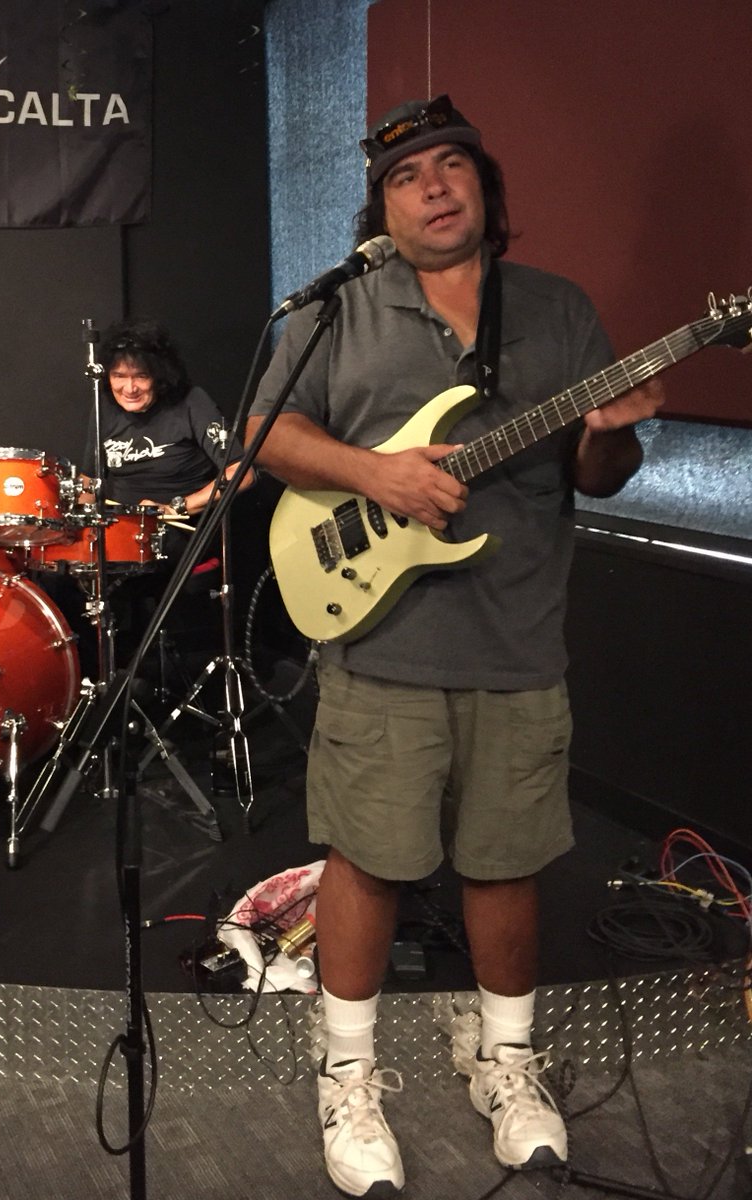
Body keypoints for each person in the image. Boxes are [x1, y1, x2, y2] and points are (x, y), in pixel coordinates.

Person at [245, 95, 663, 1196]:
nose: (433, 186)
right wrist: (375, 474)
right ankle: (348, 1073)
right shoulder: (340, 312)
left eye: (451, 166)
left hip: (519, 638)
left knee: (507, 859)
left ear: (485, 186)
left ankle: (507, 1062)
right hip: (381, 637)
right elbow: (265, 435)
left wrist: (609, 441)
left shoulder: (560, 310)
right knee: (367, 860)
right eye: (406, 175)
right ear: (381, 209)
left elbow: (599, 476)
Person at [79, 318, 254, 668]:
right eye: (119, 376)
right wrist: (77, 522)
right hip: (120, 528)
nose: (129, 387)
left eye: (140, 376)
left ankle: (138, 669)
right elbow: (89, 481)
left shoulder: (191, 402)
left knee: (117, 576)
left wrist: (178, 506)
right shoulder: (105, 409)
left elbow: (242, 473)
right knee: (64, 570)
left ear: (158, 375)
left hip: (179, 528)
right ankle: (95, 675)